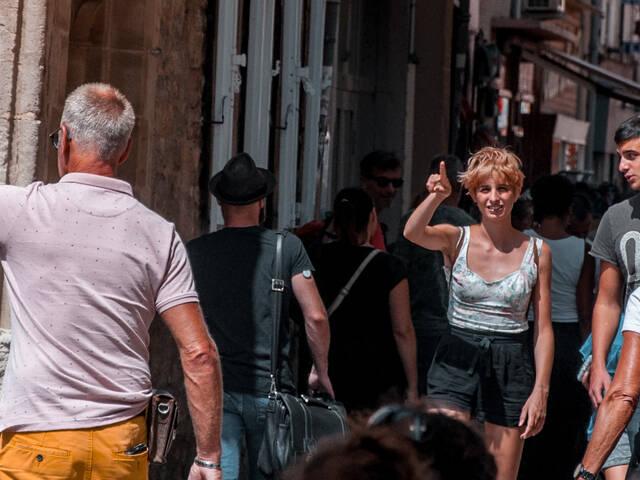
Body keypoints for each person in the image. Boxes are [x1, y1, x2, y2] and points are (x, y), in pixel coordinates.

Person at [0, 83, 223, 480]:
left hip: (37, 436)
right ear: (125, 150)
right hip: (122, 445)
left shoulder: (20, 210)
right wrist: (207, 456)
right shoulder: (159, 234)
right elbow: (199, 353)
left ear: (64, 138)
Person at [403, 146, 554, 480]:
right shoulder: (456, 238)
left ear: (516, 192)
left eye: (502, 188)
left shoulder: (537, 252)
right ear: (472, 194)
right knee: (443, 464)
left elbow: (543, 328)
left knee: (502, 474)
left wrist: (541, 389)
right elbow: (412, 232)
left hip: (510, 359)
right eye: (484, 189)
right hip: (456, 352)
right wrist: (436, 198)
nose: (494, 198)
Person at [187, 153, 333, 480]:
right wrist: (319, 369)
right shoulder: (287, 248)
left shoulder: (195, 252)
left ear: (220, 204)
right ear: (262, 203)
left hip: (216, 391)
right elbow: (316, 316)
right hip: (271, 389)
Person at [311, 187, 417, 413]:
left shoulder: (317, 259)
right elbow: (403, 330)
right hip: (377, 373)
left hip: (330, 367)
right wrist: (413, 385)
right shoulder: (390, 267)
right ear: (372, 218)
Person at [575, 113, 640, 479]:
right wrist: (598, 362)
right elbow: (607, 298)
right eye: (620, 155)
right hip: (622, 358)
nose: (622, 165)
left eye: (631, 155)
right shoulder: (617, 218)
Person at [518, 174, 593, 479]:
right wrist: (590, 356)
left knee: (526, 418)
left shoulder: (523, 243)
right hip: (567, 339)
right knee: (564, 423)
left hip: (528, 334)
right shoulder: (583, 249)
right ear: (568, 209)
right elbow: (585, 309)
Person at [394, 154, 475, 395]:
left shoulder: (411, 221)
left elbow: (399, 270)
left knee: (417, 398)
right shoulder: (470, 226)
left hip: (417, 323)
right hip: (455, 326)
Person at [296, 150, 403, 252]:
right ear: (364, 181)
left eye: (396, 183)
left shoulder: (375, 226)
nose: (391, 189)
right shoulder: (351, 222)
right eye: (382, 182)